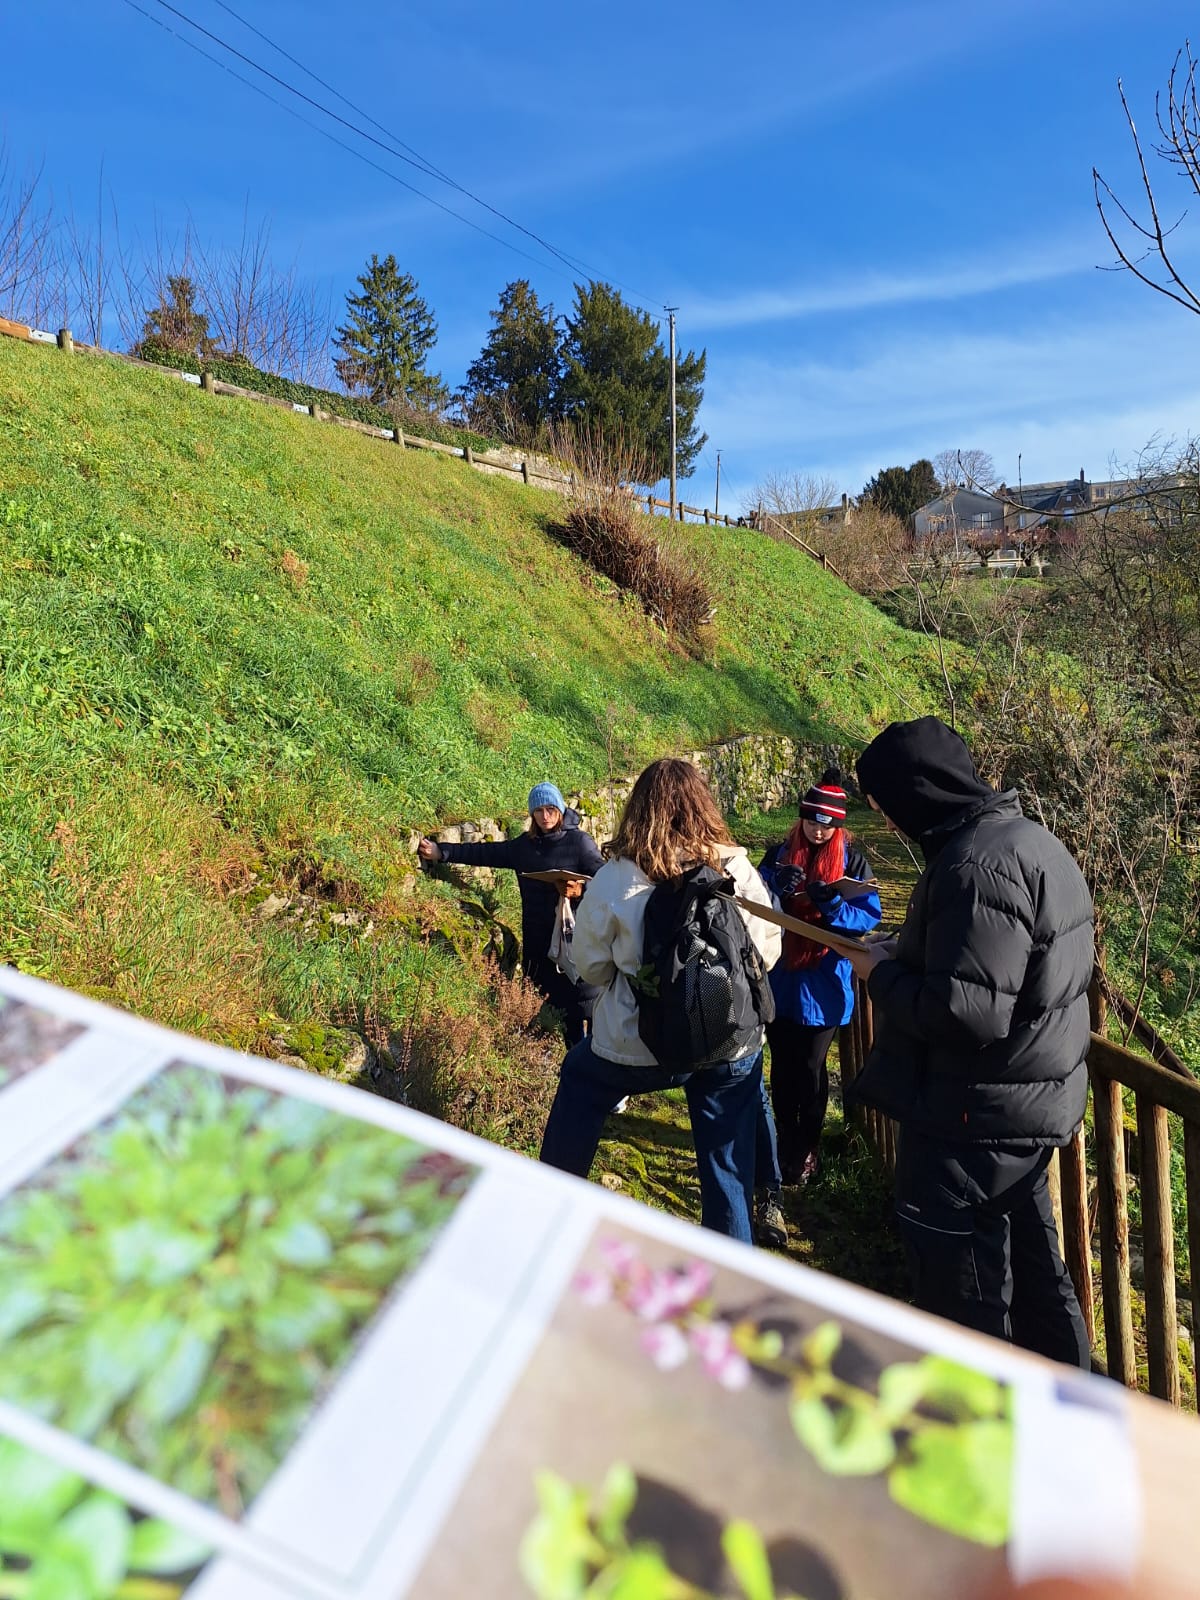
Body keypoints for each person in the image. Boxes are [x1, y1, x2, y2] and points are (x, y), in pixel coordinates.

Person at [846, 715, 1093, 1369]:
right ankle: (1080, 1420)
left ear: (917, 793)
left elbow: (967, 1014)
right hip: (1019, 1112)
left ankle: (981, 1439)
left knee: (963, 1307)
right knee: (1042, 1288)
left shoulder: (975, 868)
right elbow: (1006, 971)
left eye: (885, 804)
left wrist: (881, 974)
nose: (887, 819)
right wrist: (915, 952)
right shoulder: (1029, 842)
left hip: (970, 1125)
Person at [539, 758, 781, 1242]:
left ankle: (549, 1210)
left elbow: (588, 967)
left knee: (580, 1081)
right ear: (702, 804)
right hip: (728, 1041)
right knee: (726, 1170)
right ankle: (731, 1275)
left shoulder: (617, 877)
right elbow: (768, 950)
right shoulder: (733, 866)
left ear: (639, 809)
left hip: (638, 1042)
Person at [756, 769, 882, 1212]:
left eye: (826, 822)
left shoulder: (852, 860)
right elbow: (751, 901)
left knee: (810, 1070)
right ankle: (781, 1140)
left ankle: (806, 1149)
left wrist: (829, 902)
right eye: (812, 819)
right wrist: (774, 886)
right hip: (780, 974)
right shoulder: (778, 853)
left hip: (823, 984)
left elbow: (867, 917)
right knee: (782, 1067)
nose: (818, 828)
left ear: (838, 825)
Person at [417, 783, 603, 1046]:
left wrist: (580, 890)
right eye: (538, 810)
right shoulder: (525, 847)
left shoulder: (579, 843)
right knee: (563, 1021)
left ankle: (604, 1074)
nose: (545, 816)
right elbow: (485, 853)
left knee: (592, 1016)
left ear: (560, 809)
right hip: (540, 945)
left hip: (575, 942)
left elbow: (605, 880)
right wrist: (441, 852)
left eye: (550, 809)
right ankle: (576, 1071)